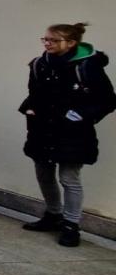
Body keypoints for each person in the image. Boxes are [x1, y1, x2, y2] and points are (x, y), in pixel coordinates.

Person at [19, 22, 115, 246]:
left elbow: (108, 100)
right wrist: (29, 108)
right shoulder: (40, 64)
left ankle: (71, 224)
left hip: (73, 132)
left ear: (71, 43)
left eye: (53, 40)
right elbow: (34, 93)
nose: (47, 43)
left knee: (69, 178)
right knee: (44, 174)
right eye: (45, 39)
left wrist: (81, 114)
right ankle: (53, 214)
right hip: (42, 128)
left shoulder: (87, 66)